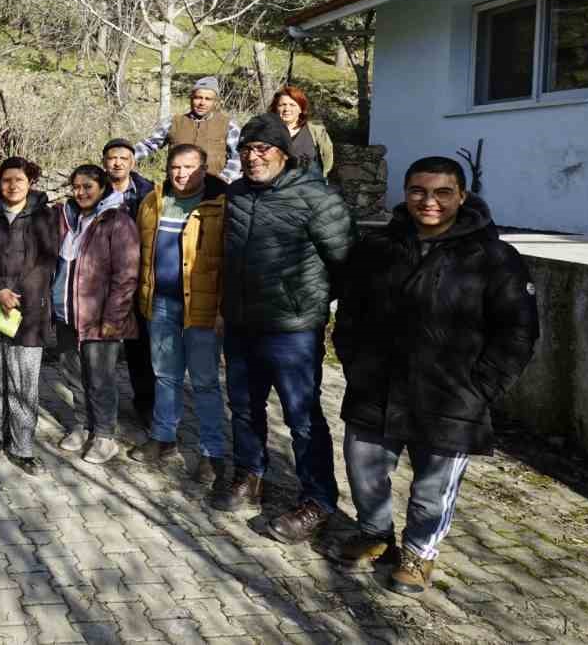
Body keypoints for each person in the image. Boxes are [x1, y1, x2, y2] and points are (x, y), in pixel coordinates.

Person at [333, 156, 538, 595]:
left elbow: (518, 331)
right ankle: (376, 535)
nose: (429, 201)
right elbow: (350, 311)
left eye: (443, 192)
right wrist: (354, 362)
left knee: (432, 487)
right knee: (363, 469)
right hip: (377, 387)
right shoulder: (377, 248)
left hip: (449, 396)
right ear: (405, 195)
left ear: (461, 196)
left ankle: (419, 553)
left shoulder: (494, 257)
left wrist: (481, 388)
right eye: (418, 191)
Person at [211, 115, 356, 546]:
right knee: (243, 406)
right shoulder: (236, 195)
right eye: (246, 150)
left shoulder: (318, 199)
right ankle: (250, 474)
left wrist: (312, 305)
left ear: (284, 154)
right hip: (241, 325)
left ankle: (318, 501)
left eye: (262, 150)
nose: (253, 158)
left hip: (291, 330)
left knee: (303, 419)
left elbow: (347, 263)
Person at [129, 146, 229, 486]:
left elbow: (230, 262)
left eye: (189, 167)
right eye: (175, 167)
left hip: (202, 309)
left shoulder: (221, 205)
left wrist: (222, 309)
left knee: (204, 383)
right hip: (160, 305)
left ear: (204, 169)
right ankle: (164, 437)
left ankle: (212, 453)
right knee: (165, 375)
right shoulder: (153, 201)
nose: (181, 174)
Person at [0, 157, 59, 475]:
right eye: (6, 179)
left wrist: (17, 294)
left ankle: (22, 446)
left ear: (30, 182)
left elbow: (47, 261)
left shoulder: (44, 215)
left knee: (24, 381)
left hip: (29, 310)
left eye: (19, 179)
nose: (12, 185)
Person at [52, 164, 139, 465]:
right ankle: (82, 424)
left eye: (88, 186)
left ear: (102, 187)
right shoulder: (68, 218)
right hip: (66, 314)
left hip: (99, 318)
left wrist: (114, 319)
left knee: (100, 378)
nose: (81, 192)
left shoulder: (117, 221)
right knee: (73, 375)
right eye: (76, 186)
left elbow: (126, 276)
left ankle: (104, 436)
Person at [101, 138, 157, 426]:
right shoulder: (95, 191)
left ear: (133, 161)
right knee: (100, 348)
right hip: (102, 282)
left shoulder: (150, 193)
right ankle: (100, 409)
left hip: (140, 278)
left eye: (124, 158)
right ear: (104, 162)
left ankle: (145, 404)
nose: (118, 163)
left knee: (141, 348)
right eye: (112, 158)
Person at [132, 77, 243, 182]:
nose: (202, 103)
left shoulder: (228, 125)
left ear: (215, 102)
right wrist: (126, 156)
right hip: (176, 188)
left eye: (208, 99)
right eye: (198, 97)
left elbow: (237, 157)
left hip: (213, 192)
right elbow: (149, 145)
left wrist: (224, 179)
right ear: (191, 99)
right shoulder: (174, 122)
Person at [273, 85, 336, 179]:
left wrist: (322, 178)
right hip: (275, 189)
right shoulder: (266, 131)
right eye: (282, 105)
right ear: (276, 108)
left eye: (292, 105)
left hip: (309, 187)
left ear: (301, 109)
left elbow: (327, 157)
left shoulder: (316, 131)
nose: (287, 109)